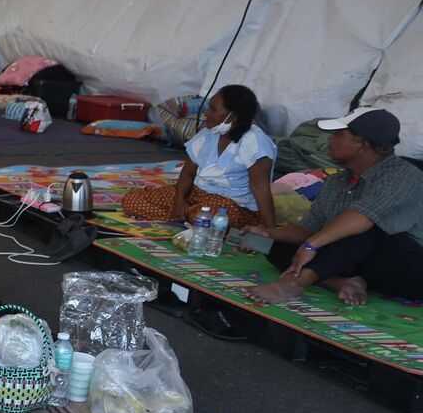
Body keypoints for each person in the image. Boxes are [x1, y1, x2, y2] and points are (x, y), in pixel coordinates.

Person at [243, 108, 423, 306]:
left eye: (338, 135)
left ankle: (293, 284)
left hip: (409, 272)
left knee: (361, 228)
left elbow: (361, 218)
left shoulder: (404, 175)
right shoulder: (337, 181)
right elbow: (308, 230)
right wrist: (269, 233)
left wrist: (311, 245)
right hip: (357, 264)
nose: (330, 139)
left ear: (363, 144)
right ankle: (340, 283)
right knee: (275, 246)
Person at [121, 85, 277, 229]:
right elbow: (189, 172)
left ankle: (193, 218)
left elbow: (260, 189)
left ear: (232, 117)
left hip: (232, 205)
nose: (206, 113)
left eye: (213, 109)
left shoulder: (256, 142)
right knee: (132, 200)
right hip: (196, 195)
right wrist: (179, 200)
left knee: (212, 217)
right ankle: (191, 218)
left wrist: (270, 231)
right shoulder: (209, 133)